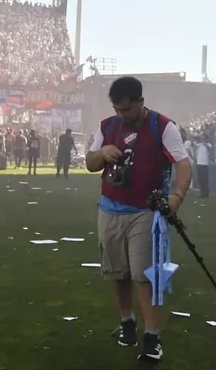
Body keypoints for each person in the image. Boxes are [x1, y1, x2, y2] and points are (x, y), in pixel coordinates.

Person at [85, 76, 192, 363]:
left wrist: (177, 197)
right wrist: (103, 153)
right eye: (118, 110)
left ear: (141, 103)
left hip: (145, 211)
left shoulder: (162, 125)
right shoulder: (107, 126)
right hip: (109, 209)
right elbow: (90, 163)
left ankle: (152, 337)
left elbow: (183, 163)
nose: (122, 115)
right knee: (116, 273)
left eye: (127, 110)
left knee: (145, 275)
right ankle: (127, 323)